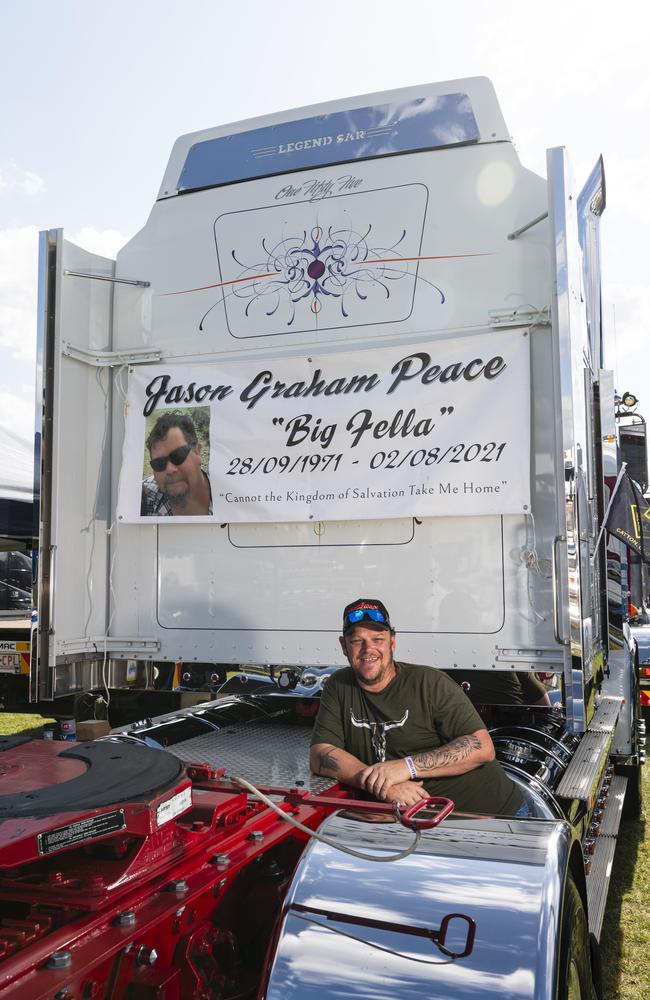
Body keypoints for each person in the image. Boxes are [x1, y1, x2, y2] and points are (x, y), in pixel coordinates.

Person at [310, 598, 524, 815]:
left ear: (392, 642)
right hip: (421, 824)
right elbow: (321, 754)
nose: (368, 649)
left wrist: (405, 767)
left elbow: (482, 747)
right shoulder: (339, 686)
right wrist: (384, 783)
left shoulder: (429, 683)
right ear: (343, 646)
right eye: (357, 641)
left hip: (490, 816)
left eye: (378, 639)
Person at [140, 413, 212, 516]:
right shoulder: (143, 498)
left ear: (197, 451)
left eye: (178, 455)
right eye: (159, 463)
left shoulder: (229, 495)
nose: (170, 469)